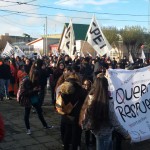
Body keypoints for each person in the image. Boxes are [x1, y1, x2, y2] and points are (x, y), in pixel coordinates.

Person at [79, 76, 131, 150]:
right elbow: (115, 122)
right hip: (105, 133)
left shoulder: (90, 99)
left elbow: (85, 115)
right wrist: (126, 134)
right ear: (106, 87)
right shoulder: (107, 103)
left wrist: (84, 125)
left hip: (96, 131)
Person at [18, 70, 53, 135]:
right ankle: (28, 129)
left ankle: (45, 125)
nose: (37, 78)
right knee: (27, 114)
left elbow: (37, 88)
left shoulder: (35, 80)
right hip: (27, 99)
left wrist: (38, 89)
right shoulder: (26, 81)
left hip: (34, 98)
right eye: (36, 77)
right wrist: (33, 90)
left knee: (39, 111)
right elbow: (24, 93)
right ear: (33, 76)